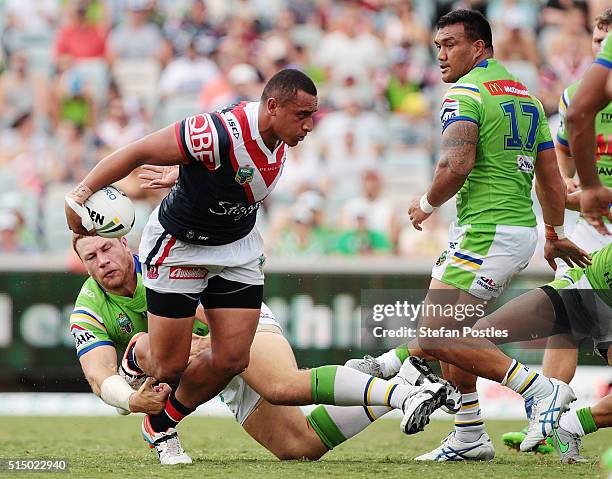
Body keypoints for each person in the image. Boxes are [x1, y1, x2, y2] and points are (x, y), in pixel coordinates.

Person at [350, 9, 590, 461]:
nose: (440, 55)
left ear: (478, 46)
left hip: (486, 230)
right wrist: (553, 232)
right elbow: (551, 181)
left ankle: (538, 391)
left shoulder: (465, 93)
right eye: (437, 45)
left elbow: (455, 165)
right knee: (454, 337)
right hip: (516, 229)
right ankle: (468, 434)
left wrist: (424, 204)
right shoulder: (526, 96)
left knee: (437, 333)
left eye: (450, 45)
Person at [65, 69, 321, 449]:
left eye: (311, 115)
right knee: (171, 365)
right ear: (272, 107)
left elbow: (232, 183)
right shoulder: (215, 132)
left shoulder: (277, 136)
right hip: (181, 245)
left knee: (235, 359)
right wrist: (81, 194)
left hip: (236, 247)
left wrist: (188, 179)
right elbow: (137, 152)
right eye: (302, 115)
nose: (309, 125)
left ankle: (161, 424)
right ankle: (139, 355)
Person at [70, 233, 454, 465]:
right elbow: (97, 374)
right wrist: (132, 399)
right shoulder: (89, 307)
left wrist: (205, 347)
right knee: (298, 447)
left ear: (124, 242)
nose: (102, 261)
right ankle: (397, 369)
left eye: (106, 248)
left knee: (282, 385)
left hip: (235, 323)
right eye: (91, 257)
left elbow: (215, 317)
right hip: (207, 366)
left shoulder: (159, 268)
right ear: (84, 264)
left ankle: (404, 394)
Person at [502, 9, 612, 453]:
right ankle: (543, 424)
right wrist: (576, 191)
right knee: (563, 318)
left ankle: (576, 423)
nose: (603, 49)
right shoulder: (572, 100)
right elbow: (561, 174)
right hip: (591, 230)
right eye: (598, 40)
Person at [566, 15, 612, 232]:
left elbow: (577, 114)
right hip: (596, 223)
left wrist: (591, 189)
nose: (601, 47)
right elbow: (562, 146)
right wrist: (566, 177)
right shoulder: (573, 93)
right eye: (597, 41)